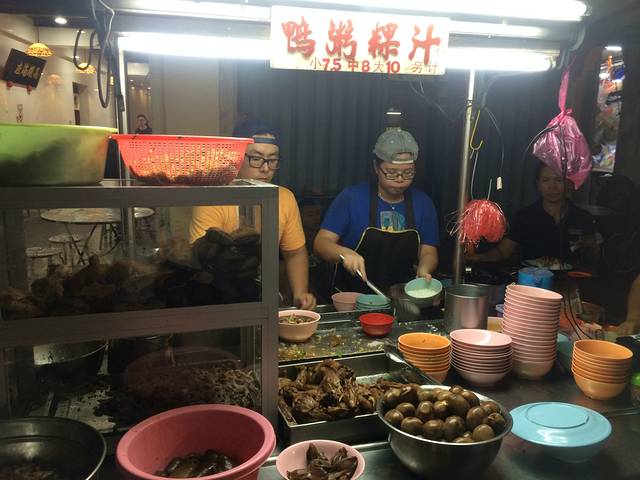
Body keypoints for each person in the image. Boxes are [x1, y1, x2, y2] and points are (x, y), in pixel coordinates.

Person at [189, 118, 316, 310]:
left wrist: (300, 293)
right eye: (256, 158)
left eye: (272, 160)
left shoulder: (284, 198)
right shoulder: (213, 199)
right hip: (216, 297)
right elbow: (203, 262)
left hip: (264, 293)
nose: (265, 168)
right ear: (236, 157)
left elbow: (295, 253)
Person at [313, 128, 439, 293]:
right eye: (391, 173)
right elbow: (321, 243)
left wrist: (424, 269)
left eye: (408, 173)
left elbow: (429, 251)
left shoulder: (423, 202)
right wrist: (344, 253)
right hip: (351, 295)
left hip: (401, 294)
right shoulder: (351, 197)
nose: (400, 179)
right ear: (376, 167)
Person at [467, 163, 596, 265]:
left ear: (568, 184)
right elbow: (503, 252)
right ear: (538, 184)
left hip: (573, 284)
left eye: (558, 180)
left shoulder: (583, 217)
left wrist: (591, 247)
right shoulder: (524, 217)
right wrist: (479, 258)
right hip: (531, 282)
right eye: (546, 180)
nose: (552, 187)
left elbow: (593, 256)